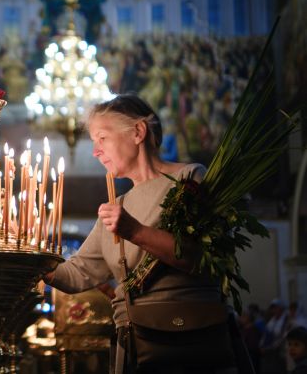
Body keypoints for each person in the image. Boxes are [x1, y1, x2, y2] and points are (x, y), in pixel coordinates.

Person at [44, 94, 247, 373]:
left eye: (102, 138)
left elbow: (201, 259)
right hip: (139, 344)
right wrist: (28, 257)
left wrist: (134, 231)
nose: (95, 151)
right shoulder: (118, 206)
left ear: (138, 132)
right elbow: (76, 274)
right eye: (93, 142)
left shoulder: (190, 179)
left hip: (198, 341)